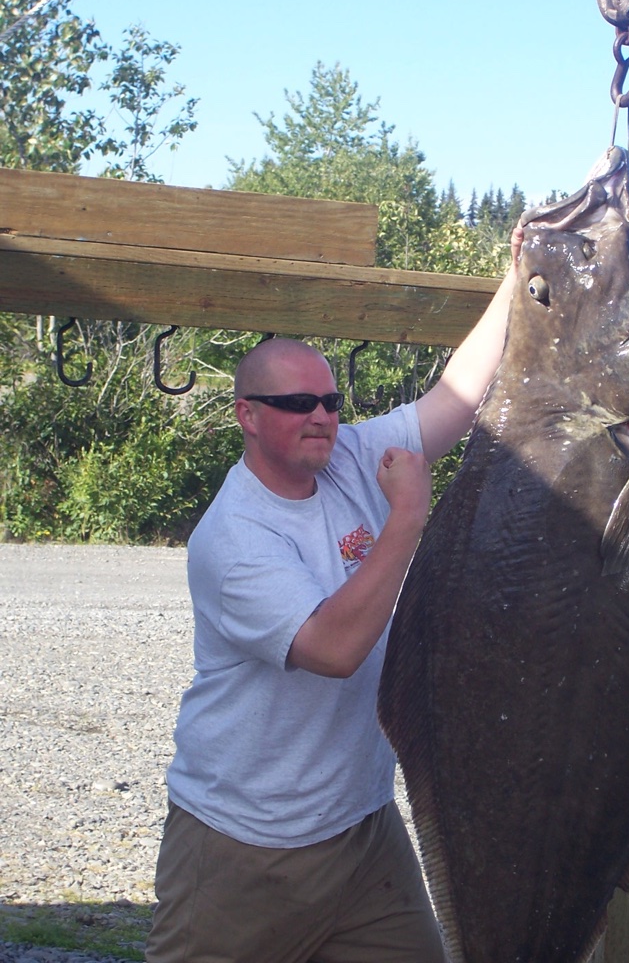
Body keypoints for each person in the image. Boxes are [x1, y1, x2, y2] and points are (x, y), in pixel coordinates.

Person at [145, 232, 522, 963]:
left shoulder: (347, 454)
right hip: (243, 844)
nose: (319, 415)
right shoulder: (234, 539)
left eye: (328, 398)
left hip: (361, 831)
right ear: (247, 416)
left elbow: (455, 399)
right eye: (294, 402)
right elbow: (335, 650)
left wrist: (518, 276)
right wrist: (409, 516)